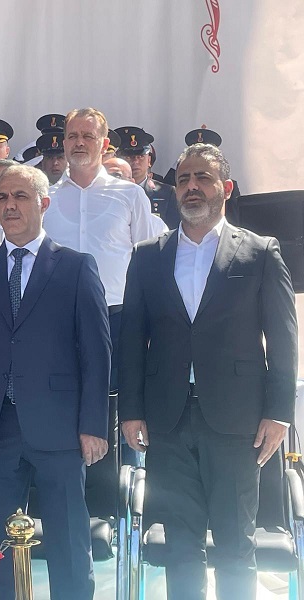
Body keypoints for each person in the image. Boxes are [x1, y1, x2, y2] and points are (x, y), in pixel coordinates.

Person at [119, 143, 297, 600]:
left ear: (226, 188)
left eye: (203, 178)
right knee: (181, 546)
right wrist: (131, 410)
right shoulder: (148, 254)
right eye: (183, 179)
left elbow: (282, 338)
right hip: (168, 420)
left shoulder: (259, 252)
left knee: (236, 545)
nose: (191, 187)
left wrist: (279, 412)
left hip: (238, 423)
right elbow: (132, 338)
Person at [0, 164, 111, 599]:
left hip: (59, 427)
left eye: (20, 196)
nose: (10, 206)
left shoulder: (76, 266)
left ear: (44, 203)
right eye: (2, 198)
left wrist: (93, 424)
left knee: (68, 538)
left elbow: (97, 353)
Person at [43, 107, 166, 393]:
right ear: (64, 142)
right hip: (58, 316)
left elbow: (147, 261)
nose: (79, 142)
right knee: (63, 400)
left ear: (105, 144)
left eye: (88, 136)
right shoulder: (46, 198)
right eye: (73, 136)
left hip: (117, 316)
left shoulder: (130, 194)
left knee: (114, 402)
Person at [115, 126, 181, 228]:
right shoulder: (109, 191)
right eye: (128, 157)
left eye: (140, 156)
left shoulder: (167, 193)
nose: (135, 161)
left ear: (149, 160)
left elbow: (173, 230)